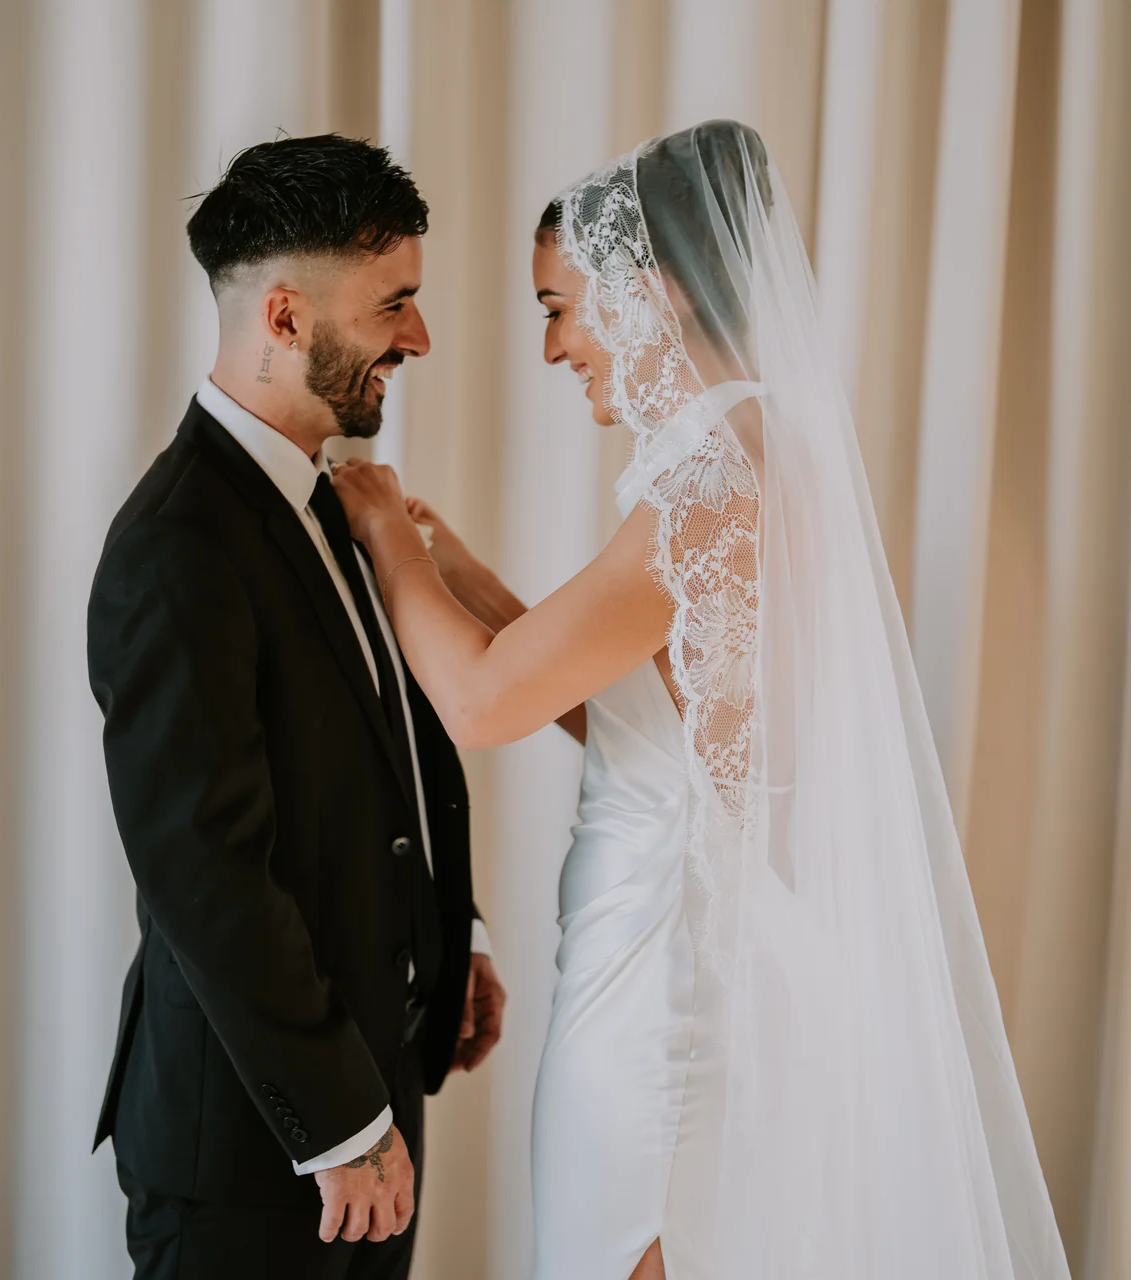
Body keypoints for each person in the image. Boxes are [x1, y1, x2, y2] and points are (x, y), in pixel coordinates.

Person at [332, 121, 1072, 1279]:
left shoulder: (710, 479)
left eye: (559, 308)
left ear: (656, 290)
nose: (553, 347)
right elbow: (637, 717)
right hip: (687, 958)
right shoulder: (758, 448)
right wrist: (458, 570)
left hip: (663, 984)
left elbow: (481, 704)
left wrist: (381, 528)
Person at [86, 134, 505, 1280]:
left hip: (375, 1090)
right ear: (283, 315)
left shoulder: (337, 500)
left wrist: (448, 927)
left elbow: (373, 747)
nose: (420, 336)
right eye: (394, 303)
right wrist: (338, 1123)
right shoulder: (175, 544)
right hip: (261, 1143)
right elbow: (205, 870)